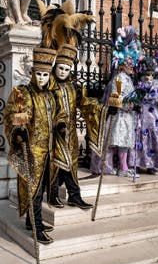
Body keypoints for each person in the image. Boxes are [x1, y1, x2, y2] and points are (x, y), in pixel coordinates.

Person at [3, 47, 65, 244]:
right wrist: (17, 130)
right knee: (34, 190)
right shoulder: (22, 93)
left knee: (44, 187)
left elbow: (58, 114)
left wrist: (61, 124)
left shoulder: (50, 96)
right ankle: (37, 227)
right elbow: (11, 115)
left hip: (49, 150)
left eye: (45, 75)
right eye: (38, 74)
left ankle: (32, 220)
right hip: (31, 151)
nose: (41, 78)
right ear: (32, 74)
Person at [49, 44, 108, 208]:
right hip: (54, 134)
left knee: (71, 165)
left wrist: (104, 109)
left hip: (71, 135)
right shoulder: (49, 87)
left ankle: (75, 196)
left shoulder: (74, 88)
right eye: (60, 68)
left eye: (66, 69)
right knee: (56, 163)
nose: (62, 72)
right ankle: (53, 195)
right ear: (55, 68)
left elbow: (86, 104)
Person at [90, 26, 143, 177]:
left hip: (127, 115)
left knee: (124, 141)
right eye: (128, 63)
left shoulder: (128, 78)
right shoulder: (119, 78)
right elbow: (116, 95)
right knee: (117, 141)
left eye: (132, 62)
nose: (131, 65)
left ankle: (124, 167)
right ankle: (119, 167)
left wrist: (135, 103)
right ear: (122, 64)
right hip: (119, 115)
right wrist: (125, 104)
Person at [134, 57, 158, 175]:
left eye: (151, 74)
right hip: (141, 115)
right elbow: (134, 100)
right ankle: (137, 163)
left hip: (154, 117)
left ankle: (154, 165)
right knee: (139, 138)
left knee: (155, 137)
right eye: (146, 74)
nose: (148, 77)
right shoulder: (138, 86)